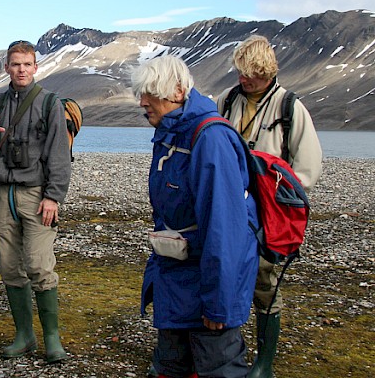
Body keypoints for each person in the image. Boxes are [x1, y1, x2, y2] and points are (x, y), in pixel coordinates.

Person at [134, 55, 259, 378]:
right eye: (141, 93)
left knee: (219, 368)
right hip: (176, 280)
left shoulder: (210, 139)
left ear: (178, 91)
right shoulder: (170, 134)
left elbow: (225, 229)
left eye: (151, 93)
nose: (142, 101)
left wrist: (219, 303)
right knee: (171, 367)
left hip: (204, 286)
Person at [216, 35, 322, 378]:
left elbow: (307, 169)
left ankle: (264, 364)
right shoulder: (227, 100)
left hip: (268, 211)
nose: (243, 79)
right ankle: (224, 354)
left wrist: (279, 197)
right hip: (231, 205)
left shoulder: (290, 108)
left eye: (250, 74)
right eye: (240, 72)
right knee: (226, 273)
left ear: (266, 71)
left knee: (265, 280)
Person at [0, 40, 72, 364]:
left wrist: (54, 196)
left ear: (35, 67)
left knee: (39, 265)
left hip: (37, 196)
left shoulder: (50, 103)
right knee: (10, 267)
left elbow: (59, 154)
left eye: (27, 64)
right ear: (6, 67)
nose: (21, 70)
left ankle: (52, 339)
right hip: (2, 195)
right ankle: (24, 335)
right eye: (15, 64)